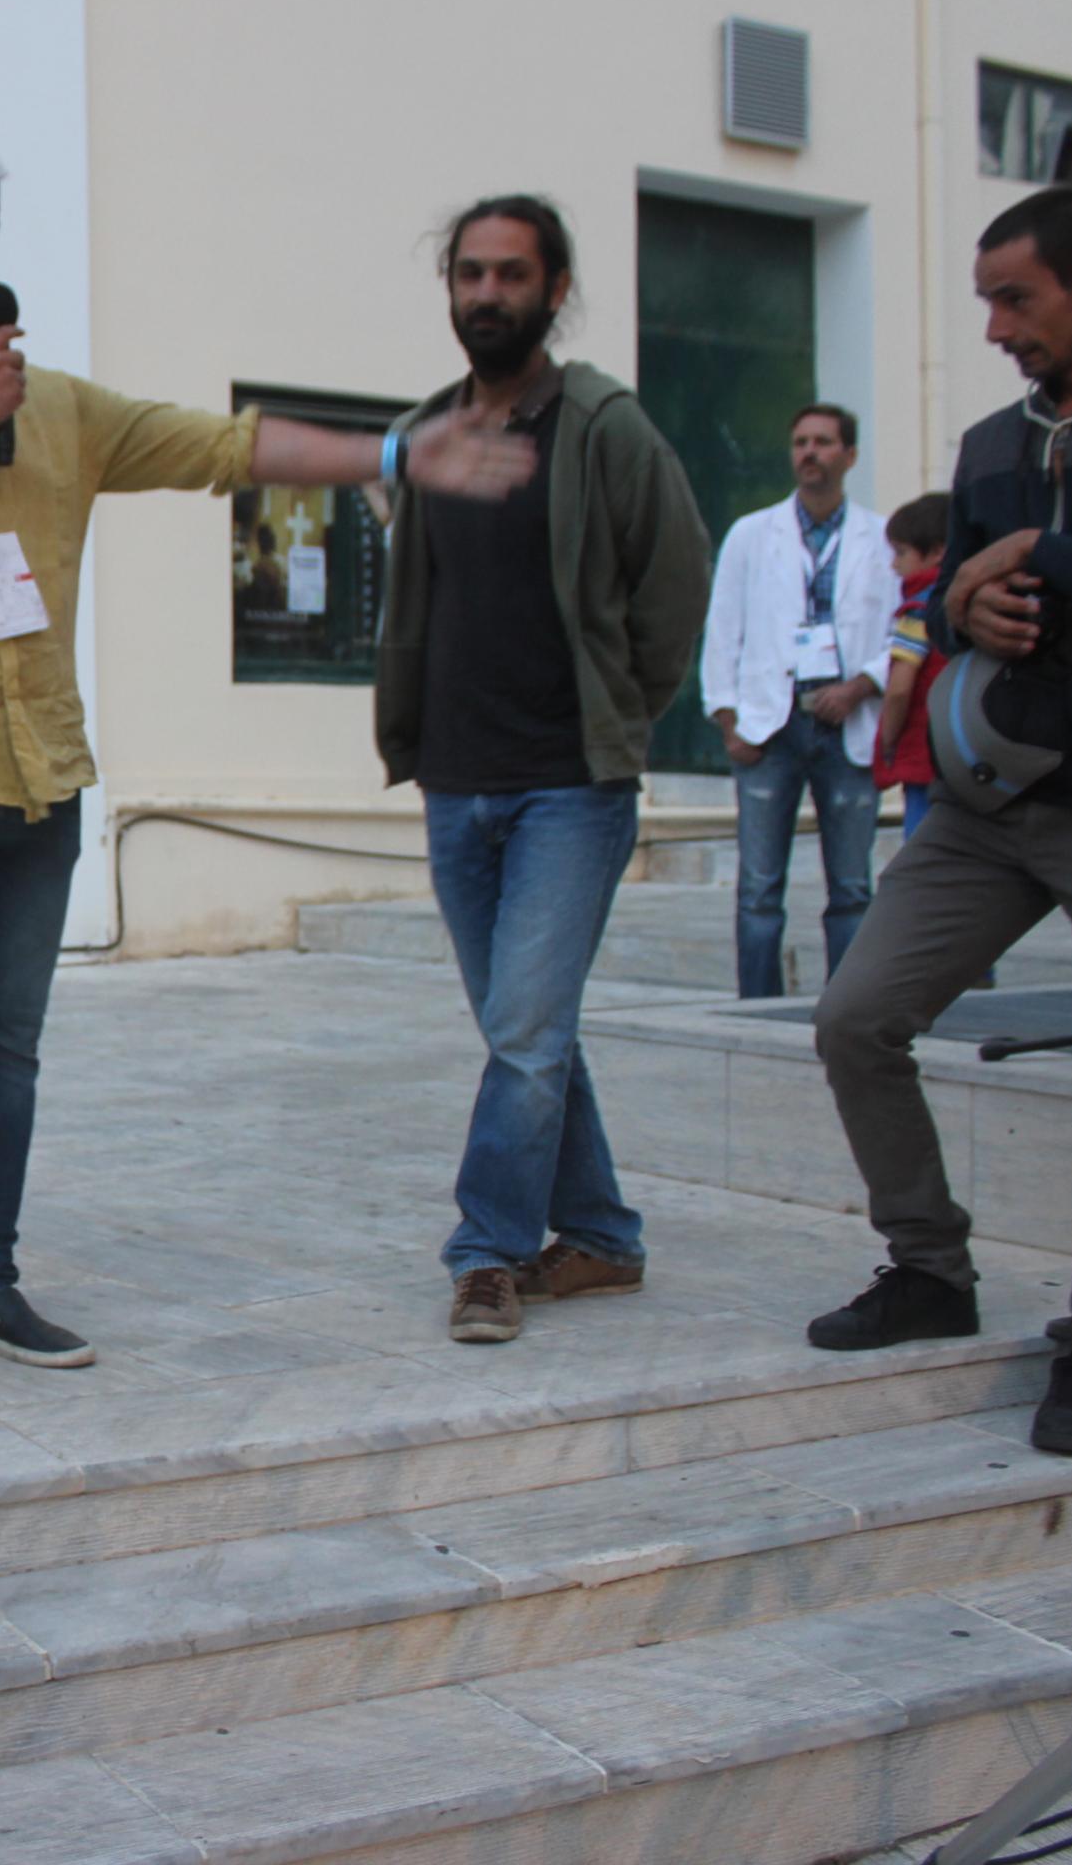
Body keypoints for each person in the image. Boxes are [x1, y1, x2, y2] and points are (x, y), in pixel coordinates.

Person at [0, 141, 532, 1393]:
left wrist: (394, 457)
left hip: (36, 779)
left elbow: (222, 446)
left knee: (6, 1054)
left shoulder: (58, 406)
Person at [806, 188, 1072, 1458]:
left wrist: (1047, 553)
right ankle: (930, 1265)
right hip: (985, 800)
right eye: (984, 301)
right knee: (855, 1017)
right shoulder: (989, 445)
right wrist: (966, 602)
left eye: (1014, 299)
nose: (993, 328)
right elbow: (948, 603)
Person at [376, 196, 713, 1344]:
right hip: (455, 780)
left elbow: (675, 583)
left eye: (511, 273)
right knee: (528, 1031)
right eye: (470, 273)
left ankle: (487, 1252)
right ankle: (603, 1234)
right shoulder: (427, 433)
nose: (488, 293)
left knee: (524, 1033)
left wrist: (620, 713)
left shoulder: (606, 426)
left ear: (554, 289)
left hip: (570, 785)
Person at [700, 405, 897, 998]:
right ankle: (758, 1005)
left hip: (847, 723)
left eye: (823, 442)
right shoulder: (751, 534)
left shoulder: (881, 538)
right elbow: (723, 629)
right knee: (758, 889)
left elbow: (904, 630)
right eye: (801, 442)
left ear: (850, 456)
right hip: (771, 727)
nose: (809, 452)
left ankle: (848, 1008)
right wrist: (729, 721)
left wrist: (862, 686)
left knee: (852, 888)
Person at [870, 494, 954, 836]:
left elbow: (900, 688)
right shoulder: (968, 602)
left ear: (936, 552)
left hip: (923, 755)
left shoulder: (917, 612)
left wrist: (887, 741)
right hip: (965, 754)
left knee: (921, 847)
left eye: (901, 553)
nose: (894, 566)